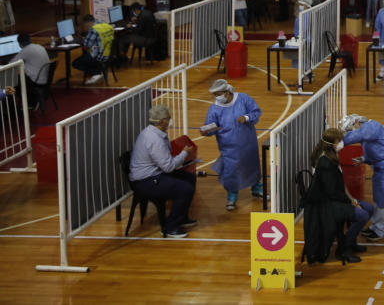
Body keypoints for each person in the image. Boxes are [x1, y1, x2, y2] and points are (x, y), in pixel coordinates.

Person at [302, 127, 373, 264]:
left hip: (338, 198)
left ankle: (350, 242)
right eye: (339, 140)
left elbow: (340, 184)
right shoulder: (325, 163)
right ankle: (343, 248)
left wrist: (352, 199)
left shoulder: (333, 156)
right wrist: (350, 202)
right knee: (362, 215)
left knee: (369, 208)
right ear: (331, 143)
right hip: (327, 204)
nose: (341, 143)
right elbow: (331, 192)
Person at [128, 105, 198, 238]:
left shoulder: (155, 132)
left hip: (155, 173)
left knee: (189, 178)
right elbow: (168, 167)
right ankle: (171, 227)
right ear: (161, 121)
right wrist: (184, 154)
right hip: (145, 181)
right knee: (185, 189)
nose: (170, 120)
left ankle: (182, 217)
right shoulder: (154, 139)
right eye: (168, 118)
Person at [341, 114, 384, 241]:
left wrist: (339, 141)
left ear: (357, 122)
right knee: (378, 198)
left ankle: (382, 231)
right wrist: (363, 158)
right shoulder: (369, 130)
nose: (352, 131)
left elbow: (357, 136)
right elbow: (377, 150)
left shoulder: (371, 125)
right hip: (383, 167)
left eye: (351, 128)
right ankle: (376, 226)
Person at [201, 79, 263, 210]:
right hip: (228, 147)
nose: (218, 97)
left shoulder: (243, 98)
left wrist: (246, 118)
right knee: (231, 170)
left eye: (219, 94)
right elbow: (211, 125)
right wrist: (206, 131)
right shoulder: (214, 108)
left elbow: (256, 112)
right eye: (215, 95)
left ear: (228, 91)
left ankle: (257, 188)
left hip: (248, 142)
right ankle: (232, 196)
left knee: (251, 164)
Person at [12, 33, 50, 109]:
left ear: (19, 44)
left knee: (13, 82)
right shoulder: (39, 47)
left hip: (35, 81)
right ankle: (33, 101)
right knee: (21, 78)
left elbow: (11, 64)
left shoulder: (25, 51)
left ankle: (31, 103)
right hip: (46, 79)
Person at [73, 14, 113, 85]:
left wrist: (81, 38)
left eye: (85, 26)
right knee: (85, 55)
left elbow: (86, 44)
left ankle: (96, 73)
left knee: (76, 63)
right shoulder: (106, 25)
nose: (86, 28)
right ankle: (97, 72)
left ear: (88, 23)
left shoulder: (94, 29)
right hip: (109, 54)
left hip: (99, 57)